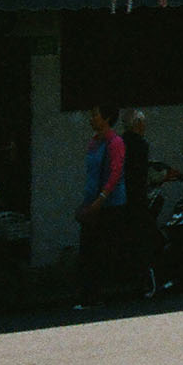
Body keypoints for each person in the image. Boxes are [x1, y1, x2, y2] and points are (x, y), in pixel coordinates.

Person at [74, 105, 125, 308]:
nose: (91, 119)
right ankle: (89, 293)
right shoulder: (93, 143)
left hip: (107, 205)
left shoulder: (115, 143)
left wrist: (98, 202)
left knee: (95, 251)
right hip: (92, 203)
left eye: (95, 115)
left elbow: (114, 174)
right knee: (88, 251)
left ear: (107, 118)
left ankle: (94, 294)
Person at [119, 109, 161, 298]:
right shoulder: (140, 145)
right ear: (137, 125)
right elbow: (141, 173)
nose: (144, 127)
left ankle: (129, 277)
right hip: (136, 198)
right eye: (142, 123)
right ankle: (146, 280)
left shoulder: (119, 143)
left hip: (120, 198)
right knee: (144, 239)